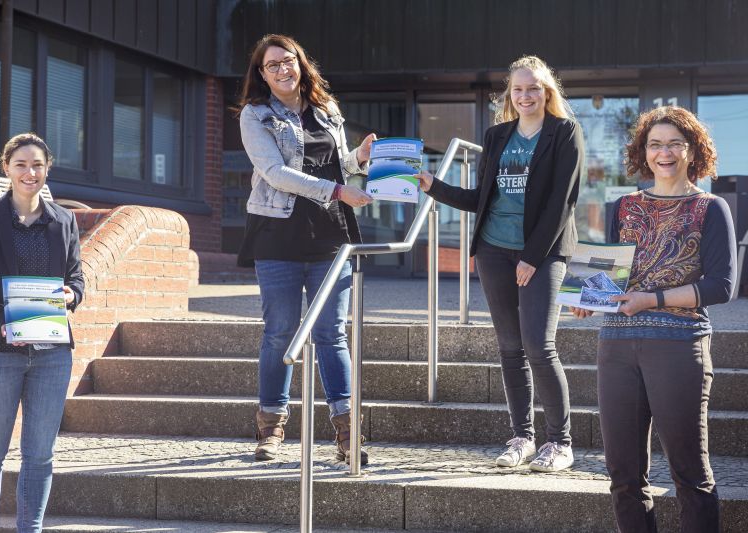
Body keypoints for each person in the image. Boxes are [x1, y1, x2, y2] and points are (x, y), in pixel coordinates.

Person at [569, 106, 736, 532]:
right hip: (618, 346)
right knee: (622, 475)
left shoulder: (710, 208)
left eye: (674, 144)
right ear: (643, 152)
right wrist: (591, 298)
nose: (664, 152)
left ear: (692, 150)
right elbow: (614, 273)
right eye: (655, 144)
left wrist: (651, 299)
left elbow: (721, 286)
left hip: (679, 346)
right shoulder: (622, 206)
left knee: (689, 474)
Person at [416, 55, 584, 472]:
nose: (526, 96)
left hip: (542, 254)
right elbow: (482, 199)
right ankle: (522, 437)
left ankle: (560, 443)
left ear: (547, 92)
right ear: (509, 95)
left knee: (540, 347)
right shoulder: (497, 136)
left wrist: (531, 258)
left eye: (533, 89)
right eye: (518, 89)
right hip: (493, 249)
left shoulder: (564, 132)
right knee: (510, 348)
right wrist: (432, 186)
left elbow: (562, 202)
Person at [235, 34, 375, 464]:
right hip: (277, 234)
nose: (282, 69)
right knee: (280, 333)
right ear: (261, 73)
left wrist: (361, 159)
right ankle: (271, 429)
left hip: (331, 236)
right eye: (271, 64)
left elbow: (336, 162)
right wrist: (337, 189)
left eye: (287, 61)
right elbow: (275, 172)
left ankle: (347, 435)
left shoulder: (328, 110)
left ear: (301, 64)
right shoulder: (255, 115)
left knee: (331, 333)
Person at [0, 133, 84, 532]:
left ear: (47, 169)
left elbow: (76, 277)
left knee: (40, 455)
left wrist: (72, 294)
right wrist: (3, 318)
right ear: (6, 168)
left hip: (50, 354)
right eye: (21, 165)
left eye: (37, 165)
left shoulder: (64, 220)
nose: (30, 172)